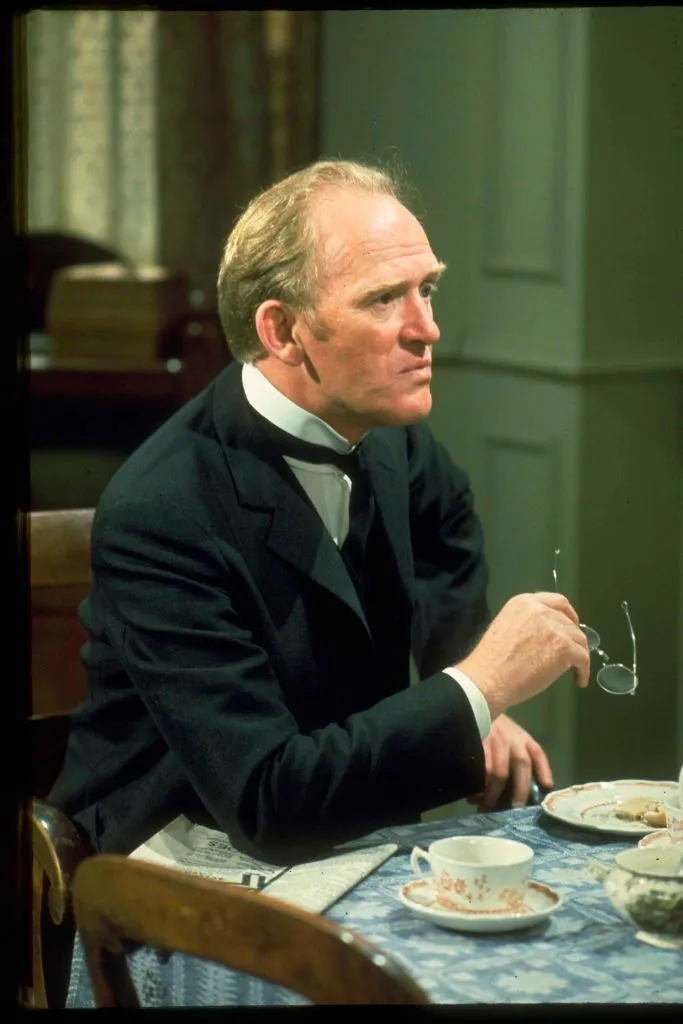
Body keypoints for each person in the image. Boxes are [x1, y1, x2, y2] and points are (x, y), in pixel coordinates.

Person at [49, 159, 590, 864]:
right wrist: (480, 686)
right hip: (175, 851)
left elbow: (446, 532)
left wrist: (468, 696)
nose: (426, 329)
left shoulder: (394, 439)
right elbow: (267, 803)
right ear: (282, 331)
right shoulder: (161, 511)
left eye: (427, 288)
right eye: (383, 299)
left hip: (343, 825)